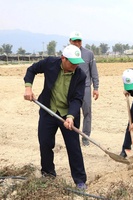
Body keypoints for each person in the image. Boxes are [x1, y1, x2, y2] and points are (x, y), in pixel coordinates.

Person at [23, 44, 88, 190]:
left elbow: (78, 99)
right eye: (72, 62)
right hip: (49, 111)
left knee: (73, 147)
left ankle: (80, 180)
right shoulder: (50, 63)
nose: (75, 66)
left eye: (77, 63)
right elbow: (32, 69)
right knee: (45, 143)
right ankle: (48, 174)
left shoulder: (80, 75)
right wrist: (28, 87)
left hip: (68, 115)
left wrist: (71, 116)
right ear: (63, 58)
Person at [69, 31, 99, 146]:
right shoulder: (66, 54)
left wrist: (96, 87)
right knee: (73, 113)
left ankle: (85, 137)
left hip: (85, 88)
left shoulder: (89, 54)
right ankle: (73, 137)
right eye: (74, 41)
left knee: (87, 113)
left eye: (79, 41)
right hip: (71, 88)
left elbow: (94, 72)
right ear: (70, 41)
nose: (77, 43)